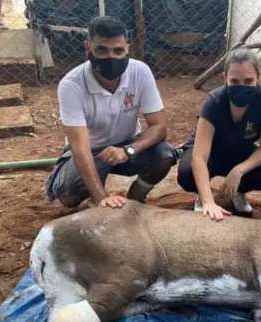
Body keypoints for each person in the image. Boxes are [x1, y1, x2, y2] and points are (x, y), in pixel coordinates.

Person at [47, 16, 175, 209]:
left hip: (126, 145)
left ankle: (137, 195)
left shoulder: (141, 72)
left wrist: (128, 150)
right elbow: (80, 148)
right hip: (91, 151)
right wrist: (101, 197)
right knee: (67, 193)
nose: (111, 58)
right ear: (88, 48)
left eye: (118, 50)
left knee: (164, 154)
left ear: (127, 48)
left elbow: (159, 126)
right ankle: (78, 184)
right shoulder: (71, 85)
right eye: (102, 50)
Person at [177, 49, 261, 221]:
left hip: (241, 152)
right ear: (224, 78)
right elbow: (199, 156)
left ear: (258, 77)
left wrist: (239, 170)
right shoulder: (214, 101)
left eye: (248, 81)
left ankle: (238, 192)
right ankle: (201, 195)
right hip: (212, 151)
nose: (241, 86)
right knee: (187, 172)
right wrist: (209, 202)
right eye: (234, 81)